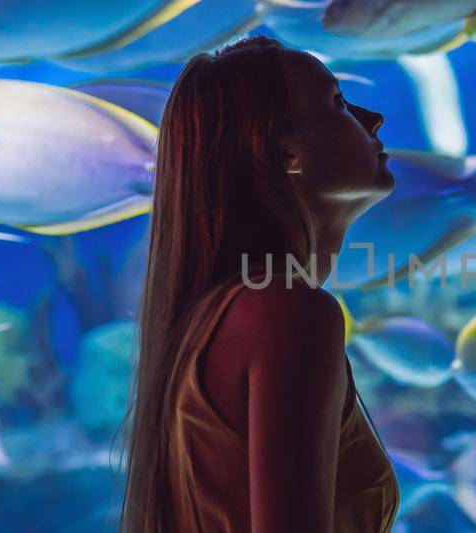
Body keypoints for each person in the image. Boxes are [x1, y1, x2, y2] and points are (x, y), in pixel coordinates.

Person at [120, 36, 398, 532]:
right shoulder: (287, 313)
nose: (372, 116)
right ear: (287, 153)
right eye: (337, 102)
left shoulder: (218, 313)